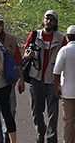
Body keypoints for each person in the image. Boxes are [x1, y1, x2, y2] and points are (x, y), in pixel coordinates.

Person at [24, 11, 61, 143]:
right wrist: (28, 55)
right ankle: (40, 133)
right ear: (43, 20)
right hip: (36, 78)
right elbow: (25, 52)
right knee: (36, 111)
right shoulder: (34, 35)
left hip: (52, 80)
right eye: (47, 18)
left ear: (56, 22)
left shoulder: (61, 39)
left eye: (52, 19)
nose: (48, 21)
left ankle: (51, 139)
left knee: (53, 113)